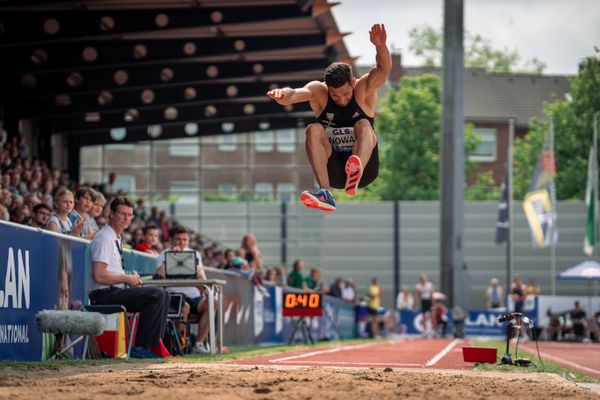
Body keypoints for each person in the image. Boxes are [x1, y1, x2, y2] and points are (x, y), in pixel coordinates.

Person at [266, 24, 391, 212]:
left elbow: (382, 70)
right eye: (335, 95)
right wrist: (283, 94)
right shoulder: (319, 92)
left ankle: (356, 168)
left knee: (364, 124)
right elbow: (295, 93)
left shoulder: (363, 89)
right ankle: (326, 193)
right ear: (327, 87)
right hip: (335, 171)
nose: (341, 100)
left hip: (366, 171)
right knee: (313, 129)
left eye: (346, 94)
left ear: (353, 83)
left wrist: (380, 47)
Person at [88, 196, 171, 358]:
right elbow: (99, 275)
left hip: (114, 291)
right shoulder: (105, 237)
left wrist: (129, 277)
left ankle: (153, 345)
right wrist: (126, 279)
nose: (127, 218)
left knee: (165, 295)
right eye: (122, 214)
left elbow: (111, 271)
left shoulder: (116, 237)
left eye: (130, 215)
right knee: (156, 295)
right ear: (111, 214)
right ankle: (141, 348)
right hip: (103, 295)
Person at [155, 225, 212, 354]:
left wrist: (203, 283)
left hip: (194, 295)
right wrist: (170, 257)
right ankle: (181, 343)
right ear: (171, 240)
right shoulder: (163, 254)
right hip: (175, 294)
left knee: (212, 303)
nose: (182, 243)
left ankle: (198, 343)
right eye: (178, 239)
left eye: (185, 240)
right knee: (183, 307)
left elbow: (202, 275)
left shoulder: (194, 254)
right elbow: (158, 276)